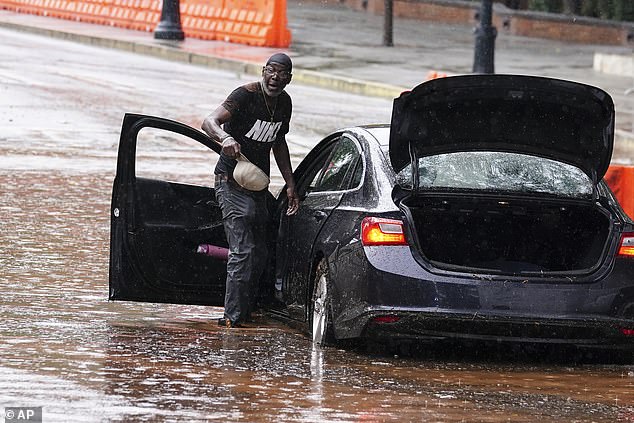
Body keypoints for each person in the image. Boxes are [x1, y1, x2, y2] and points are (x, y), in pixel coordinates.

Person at [201, 52, 299, 329]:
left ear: (289, 79)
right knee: (242, 250)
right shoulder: (245, 95)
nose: (275, 78)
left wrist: (291, 184)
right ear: (264, 70)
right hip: (230, 181)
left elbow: (279, 143)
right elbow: (209, 121)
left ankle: (250, 311)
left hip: (258, 184)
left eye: (282, 74)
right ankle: (232, 320)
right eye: (271, 71)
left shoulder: (285, 104)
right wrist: (225, 138)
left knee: (261, 252)